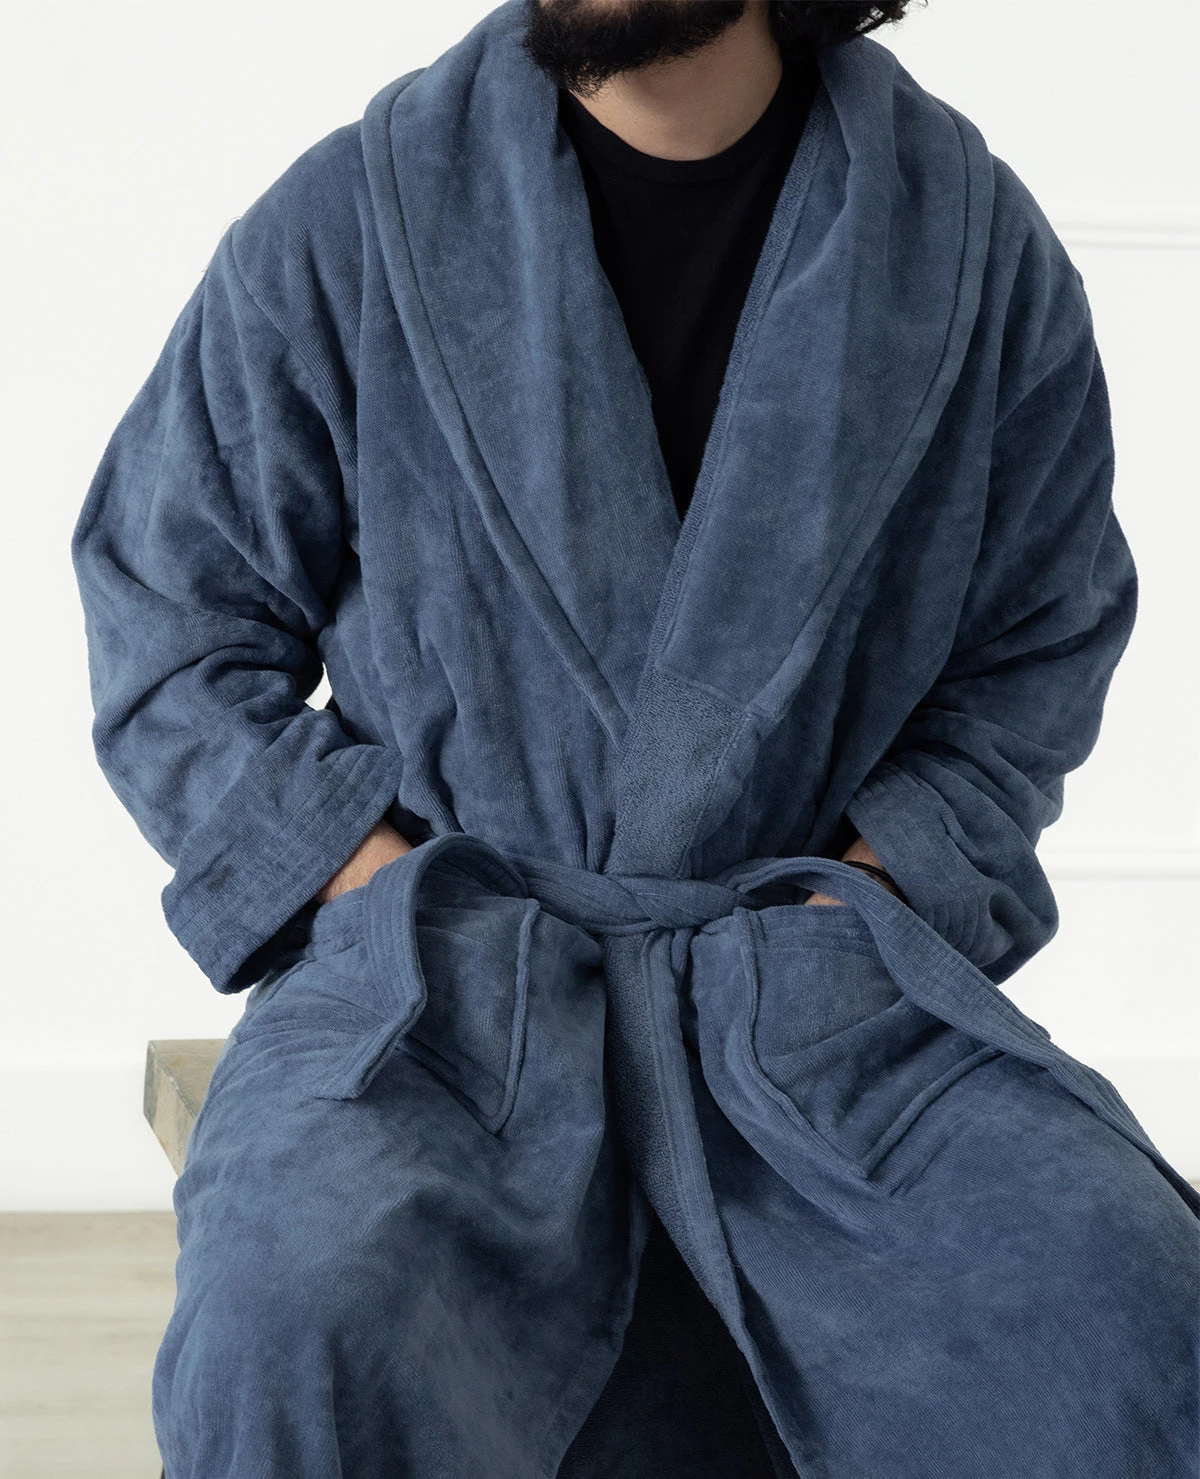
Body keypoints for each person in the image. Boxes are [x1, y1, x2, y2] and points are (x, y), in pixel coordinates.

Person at [71, 2, 1199, 1475]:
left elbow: (1037, 644)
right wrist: (368, 884)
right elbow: (170, 618)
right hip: (446, 992)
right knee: (292, 1317)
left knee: (1136, 1312)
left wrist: (882, 887)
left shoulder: (969, 250)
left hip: (820, 998)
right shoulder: (353, 221)